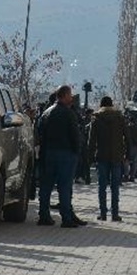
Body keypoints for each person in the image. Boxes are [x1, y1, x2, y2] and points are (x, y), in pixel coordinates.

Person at [38, 85, 86, 228]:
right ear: (64, 96)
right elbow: (75, 135)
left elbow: (40, 132)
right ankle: (66, 218)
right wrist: (77, 152)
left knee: (46, 186)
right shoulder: (68, 113)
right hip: (66, 154)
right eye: (70, 95)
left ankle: (44, 216)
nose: (71, 98)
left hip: (48, 153)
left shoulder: (46, 113)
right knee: (65, 187)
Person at [88, 96, 128, 221]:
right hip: (116, 156)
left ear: (101, 105)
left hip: (102, 156)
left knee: (102, 186)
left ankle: (103, 213)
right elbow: (127, 137)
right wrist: (127, 154)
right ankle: (115, 214)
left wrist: (89, 157)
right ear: (111, 105)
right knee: (115, 187)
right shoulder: (120, 118)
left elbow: (91, 141)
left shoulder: (96, 119)